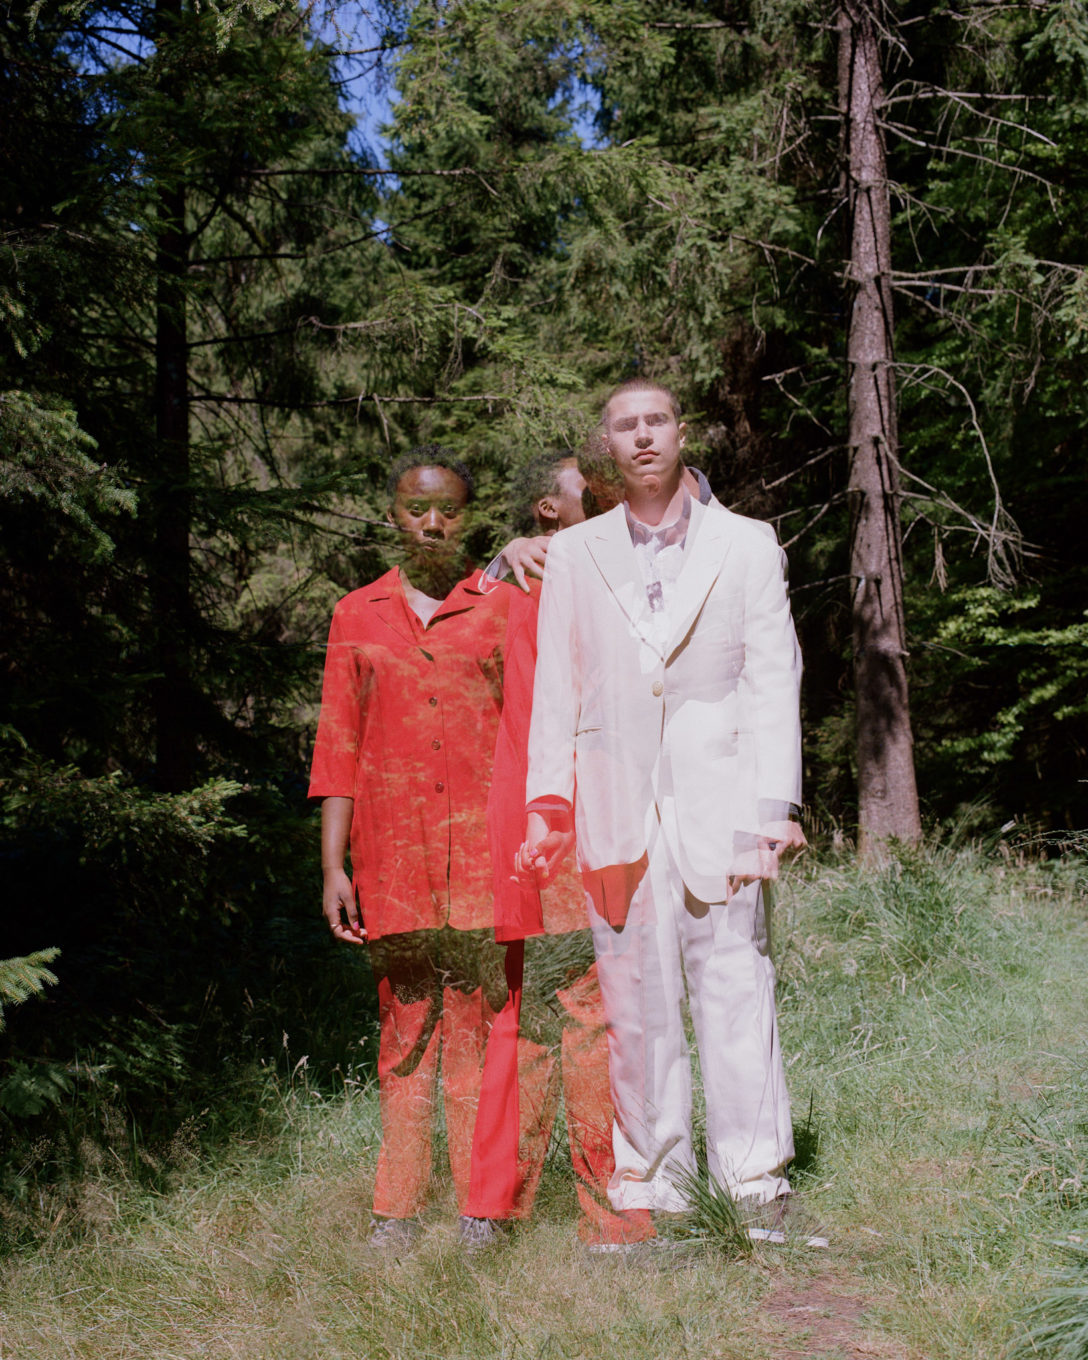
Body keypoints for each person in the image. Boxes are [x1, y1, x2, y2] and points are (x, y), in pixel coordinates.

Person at [520, 379, 807, 1225]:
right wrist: (549, 805)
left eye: (656, 421)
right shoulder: (576, 556)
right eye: (624, 426)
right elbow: (557, 691)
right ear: (606, 445)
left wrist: (774, 806)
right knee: (634, 991)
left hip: (722, 801)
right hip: (615, 803)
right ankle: (654, 1178)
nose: (643, 437)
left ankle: (753, 1178)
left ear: (682, 433)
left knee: (733, 979)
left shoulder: (748, 543)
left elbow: (772, 677)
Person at [309, 445, 511, 1251]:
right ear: (391, 514)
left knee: (480, 1026)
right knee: (406, 1026)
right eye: (415, 507)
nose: (432, 522)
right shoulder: (356, 614)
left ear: (470, 516)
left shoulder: (502, 607)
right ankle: (396, 1209)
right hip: (391, 858)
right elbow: (337, 745)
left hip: (481, 861)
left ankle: (481, 1209)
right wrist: (333, 865)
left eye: (450, 509)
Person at [462, 450, 655, 1251]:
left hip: (621, 819)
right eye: (590, 489)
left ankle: (536, 1206)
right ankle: (578, 1211)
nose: (611, 496)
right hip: (547, 829)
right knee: (555, 1009)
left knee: (597, 1008)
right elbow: (448, 630)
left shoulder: (618, 571)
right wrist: (495, 563)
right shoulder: (517, 589)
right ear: (548, 510)